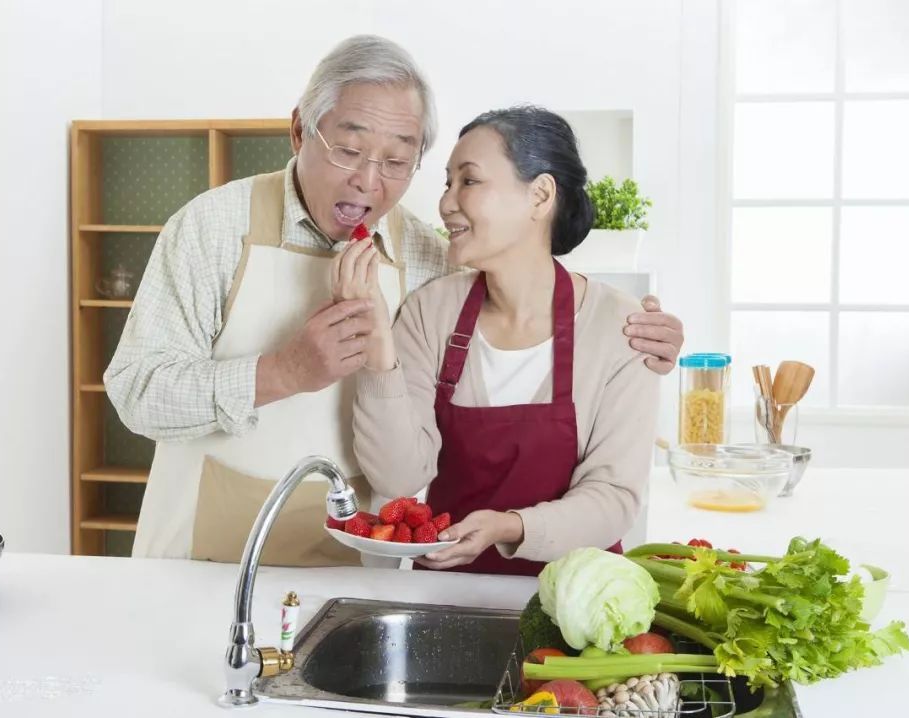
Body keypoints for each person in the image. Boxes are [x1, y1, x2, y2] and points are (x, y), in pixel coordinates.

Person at [104, 37, 683, 564]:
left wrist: (632, 329)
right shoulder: (213, 228)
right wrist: (285, 371)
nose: (368, 181)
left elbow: (525, 282)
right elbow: (137, 395)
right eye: (350, 150)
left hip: (353, 558)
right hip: (203, 555)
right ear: (301, 130)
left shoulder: (431, 261)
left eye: (398, 162)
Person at [344, 106, 661, 575]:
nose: (447, 202)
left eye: (468, 181)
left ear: (539, 195)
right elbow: (399, 476)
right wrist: (376, 348)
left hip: (575, 607)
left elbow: (613, 498)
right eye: (447, 184)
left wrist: (510, 527)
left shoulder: (623, 328)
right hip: (450, 597)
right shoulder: (431, 313)